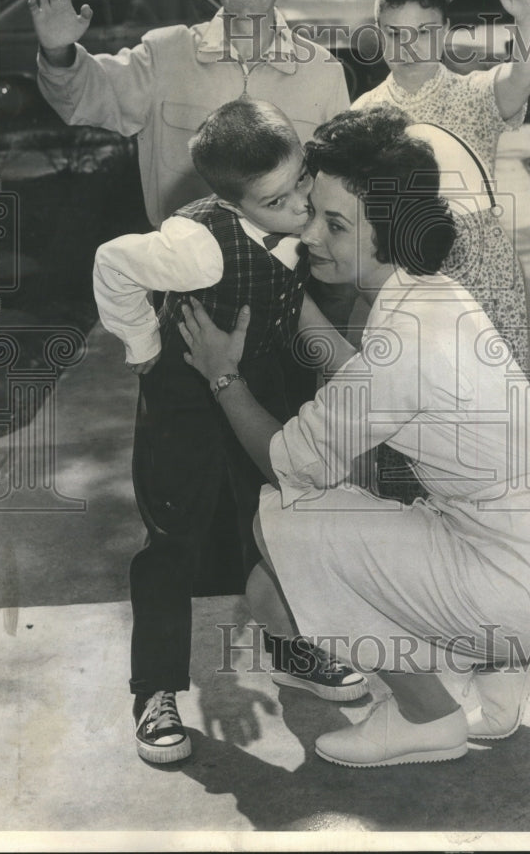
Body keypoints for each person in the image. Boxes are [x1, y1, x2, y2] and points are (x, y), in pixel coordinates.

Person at [179, 105, 530, 768]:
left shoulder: (404, 340)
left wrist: (224, 379)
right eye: (311, 210)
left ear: (388, 229)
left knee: (285, 518)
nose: (311, 233)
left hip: (512, 590)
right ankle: (498, 677)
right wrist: (293, 294)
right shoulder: (434, 295)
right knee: (270, 589)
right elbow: (364, 384)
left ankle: (425, 718)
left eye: (335, 224)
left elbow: (288, 464)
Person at [93, 98, 367, 766]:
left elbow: (299, 303)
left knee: (274, 519)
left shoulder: (297, 215)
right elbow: (112, 260)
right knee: (175, 538)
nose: (300, 205)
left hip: (262, 381)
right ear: (232, 198)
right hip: (186, 397)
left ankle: (290, 648)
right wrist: (140, 347)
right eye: (276, 200)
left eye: (299, 179)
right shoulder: (194, 246)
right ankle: (156, 690)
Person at [28, 0, 350, 227]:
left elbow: (340, 185)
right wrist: (58, 51)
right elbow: (84, 96)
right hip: (184, 268)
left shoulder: (323, 71)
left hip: (291, 267)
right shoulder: (165, 53)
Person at [353, 0, 530, 372]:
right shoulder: (363, 114)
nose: (408, 47)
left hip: (484, 283)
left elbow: (523, 74)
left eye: (423, 32)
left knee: (495, 413)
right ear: (378, 35)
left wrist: (527, 17)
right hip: (403, 286)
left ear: (444, 33)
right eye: (395, 33)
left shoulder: (474, 94)